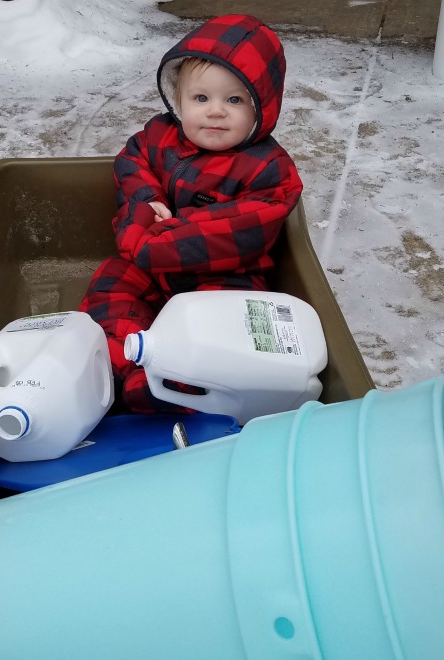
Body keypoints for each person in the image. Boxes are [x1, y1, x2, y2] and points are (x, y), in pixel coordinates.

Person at [79, 14, 303, 414]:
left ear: (262, 108)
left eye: (234, 100)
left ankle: (176, 384)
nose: (215, 111)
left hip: (223, 274)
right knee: (110, 288)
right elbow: (132, 163)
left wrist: (151, 238)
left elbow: (233, 230)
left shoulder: (269, 170)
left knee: (229, 330)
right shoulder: (160, 135)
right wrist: (146, 201)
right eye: (201, 99)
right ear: (178, 100)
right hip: (149, 264)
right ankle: (124, 362)